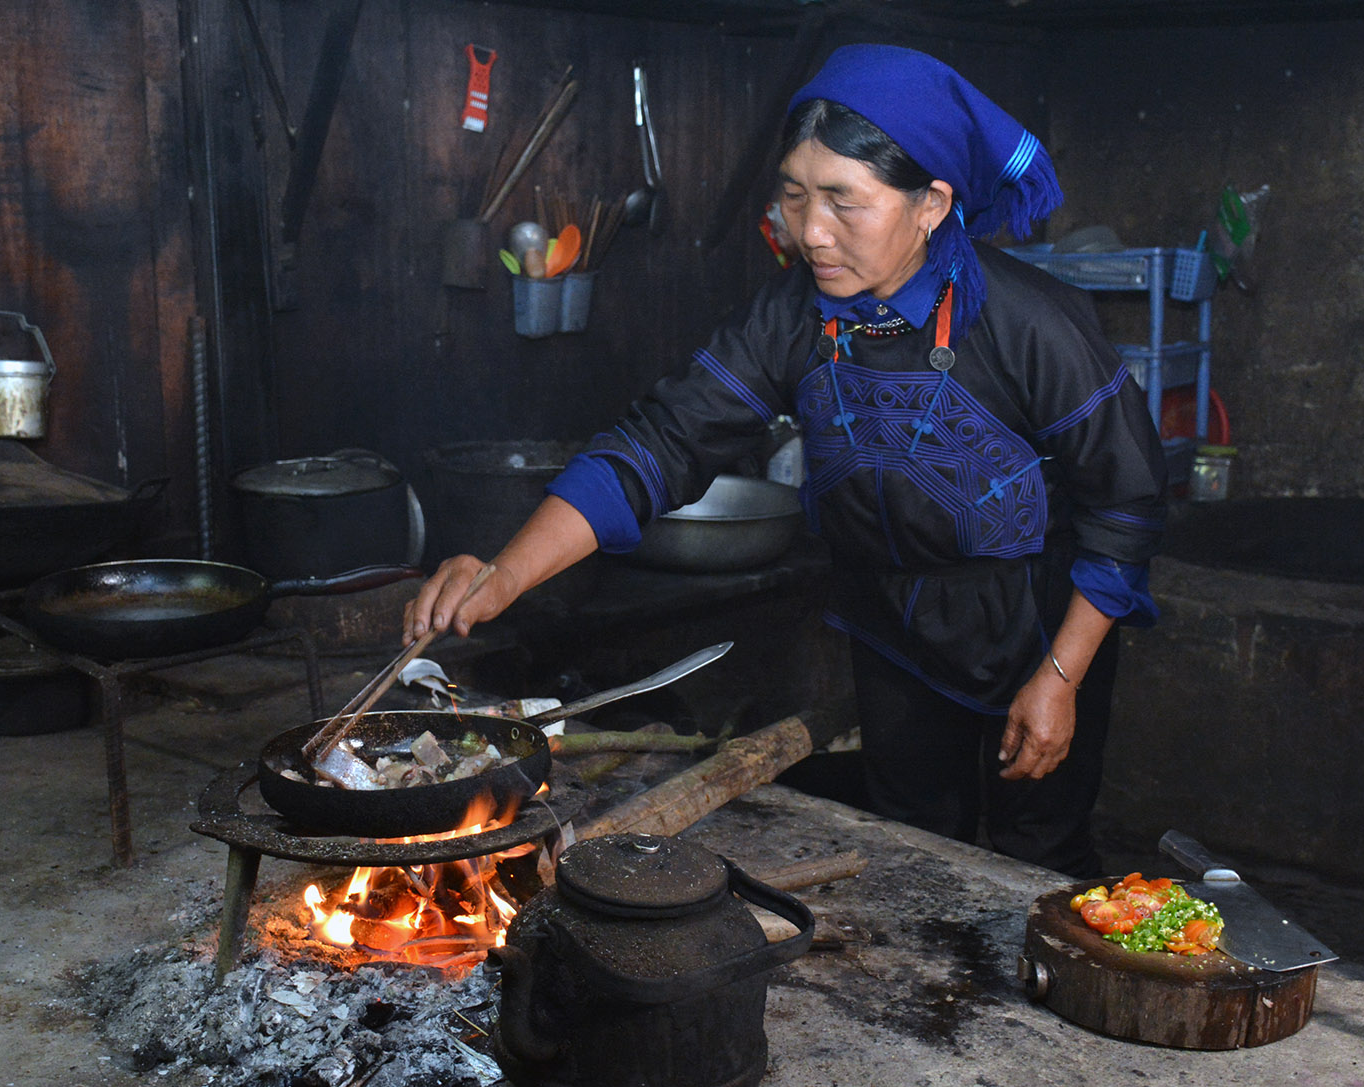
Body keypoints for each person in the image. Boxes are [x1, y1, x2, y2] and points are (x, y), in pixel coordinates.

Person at [405, 44, 1166, 876]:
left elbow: (1125, 508)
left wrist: (1061, 677)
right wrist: (506, 575)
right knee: (915, 847)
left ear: (932, 204)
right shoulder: (791, 318)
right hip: (890, 626)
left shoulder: (1034, 325)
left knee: (1040, 855)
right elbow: (661, 443)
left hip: (1042, 623)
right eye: (795, 195)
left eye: (845, 201)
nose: (809, 232)